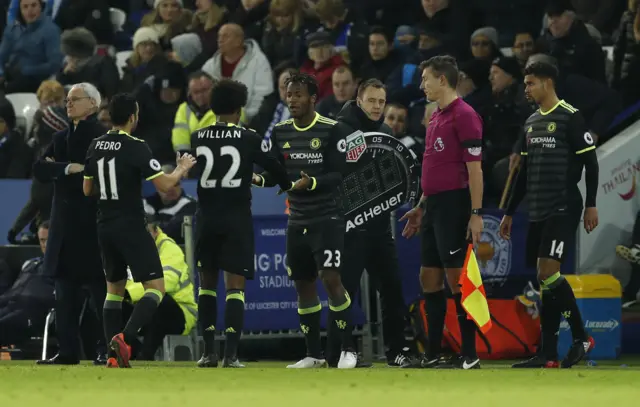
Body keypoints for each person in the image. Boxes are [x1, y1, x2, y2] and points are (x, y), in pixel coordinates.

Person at [82, 93, 196, 368]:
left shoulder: (95, 145)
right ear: (133, 117)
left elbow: (87, 189)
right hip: (131, 225)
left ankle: (113, 354)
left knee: (114, 289)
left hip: (104, 225)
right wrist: (181, 169)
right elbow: (166, 185)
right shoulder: (136, 146)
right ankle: (125, 338)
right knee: (155, 288)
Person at [191, 79, 299, 368]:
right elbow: (276, 165)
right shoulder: (248, 137)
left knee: (207, 286)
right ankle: (231, 355)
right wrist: (284, 183)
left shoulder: (198, 137)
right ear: (239, 109)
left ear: (213, 108)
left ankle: (208, 352)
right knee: (235, 287)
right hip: (236, 217)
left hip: (207, 217)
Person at [254, 72, 357, 369]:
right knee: (303, 284)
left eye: (298, 94)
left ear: (313, 98)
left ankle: (348, 349)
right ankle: (314, 354)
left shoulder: (331, 129)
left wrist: (310, 183)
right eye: (289, 94)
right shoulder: (280, 131)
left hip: (327, 217)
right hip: (297, 219)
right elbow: (278, 175)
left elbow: (340, 174)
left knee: (331, 279)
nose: (292, 100)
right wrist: (258, 179)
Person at [500, 61, 599, 369]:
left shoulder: (571, 117)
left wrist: (591, 204)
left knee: (547, 273)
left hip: (564, 204)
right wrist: (509, 212)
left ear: (546, 83)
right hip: (538, 209)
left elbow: (591, 164)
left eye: (530, 83)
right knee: (545, 281)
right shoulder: (531, 122)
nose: (526, 89)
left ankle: (582, 337)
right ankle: (549, 353)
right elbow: (524, 172)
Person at [399, 56, 484, 370]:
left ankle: (470, 354)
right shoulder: (435, 115)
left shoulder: (465, 115)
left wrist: (476, 212)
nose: (422, 85)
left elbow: (475, 170)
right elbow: (434, 167)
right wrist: (421, 206)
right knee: (429, 278)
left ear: (443, 80)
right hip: (433, 206)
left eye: (426, 79)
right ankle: (433, 352)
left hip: (454, 204)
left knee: (456, 280)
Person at [326, 78, 412, 368]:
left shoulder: (387, 131)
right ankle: (342, 351)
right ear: (359, 100)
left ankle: (396, 351)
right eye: (372, 100)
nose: (377, 107)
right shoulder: (339, 129)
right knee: (344, 291)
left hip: (378, 226)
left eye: (381, 101)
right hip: (348, 227)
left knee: (392, 288)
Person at [32, 83, 108, 366]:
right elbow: (39, 168)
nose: (68, 104)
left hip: (91, 225)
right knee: (63, 295)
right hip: (64, 227)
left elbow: (93, 171)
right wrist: (66, 168)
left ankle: (106, 348)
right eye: (67, 100)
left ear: (93, 103)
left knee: (101, 293)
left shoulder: (102, 136)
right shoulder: (61, 136)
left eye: (74, 100)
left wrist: (63, 168)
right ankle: (67, 350)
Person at [122, 216, 197, 360]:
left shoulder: (170, 248)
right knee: (109, 303)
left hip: (180, 312)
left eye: (145, 232)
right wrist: (125, 294)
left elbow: (166, 283)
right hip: (142, 307)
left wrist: (129, 292)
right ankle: (131, 352)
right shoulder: (132, 249)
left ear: (156, 231)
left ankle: (146, 355)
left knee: (159, 300)